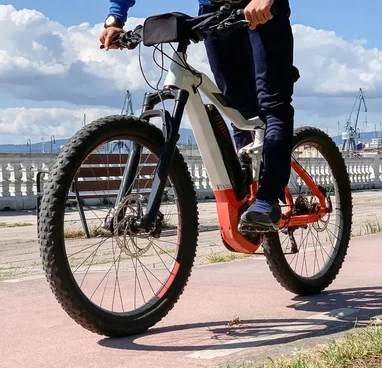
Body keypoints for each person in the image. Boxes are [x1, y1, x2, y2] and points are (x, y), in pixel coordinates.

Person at [100, 0, 295, 233]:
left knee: (272, 103)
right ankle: (248, 192)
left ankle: (268, 199)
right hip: (213, 10)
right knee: (236, 107)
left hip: (262, 7)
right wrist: (115, 18)